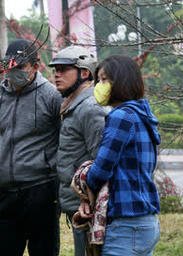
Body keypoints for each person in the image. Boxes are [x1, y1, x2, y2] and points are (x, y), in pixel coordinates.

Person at [78, 55, 160, 256]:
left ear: (121, 81)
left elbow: (101, 169)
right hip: (147, 222)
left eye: (104, 79)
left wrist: (83, 175)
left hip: (125, 224)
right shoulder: (143, 115)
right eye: (98, 80)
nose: (99, 85)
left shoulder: (120, 116)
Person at [0, 39, 63, 256]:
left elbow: (64, 139)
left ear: (35, 66)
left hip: (41, 189)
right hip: (6, 192)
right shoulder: (0, 96)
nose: (13, 72)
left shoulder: (52, 96)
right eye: (9, 66)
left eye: (20, 67)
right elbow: (1, 130)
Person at [49, 46, 107, 256]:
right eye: (55, 69)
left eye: (64, 69)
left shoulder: (90, 108)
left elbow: (101, 160)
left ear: (84, 73)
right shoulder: (72, 106)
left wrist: (89, 200)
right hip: (78, 207)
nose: (57, 74)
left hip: (90, 208)